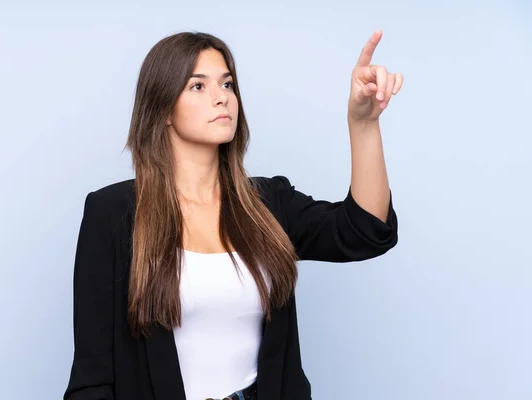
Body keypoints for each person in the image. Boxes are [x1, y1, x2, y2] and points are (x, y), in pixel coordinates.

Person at [63, 30, 402, 400]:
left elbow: (366, 230)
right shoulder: (112, 215)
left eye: (227, 83)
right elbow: (92, 378)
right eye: (198, 86)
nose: (221, 96)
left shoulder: (268, 203)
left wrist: (364, 124)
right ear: (162, 110)